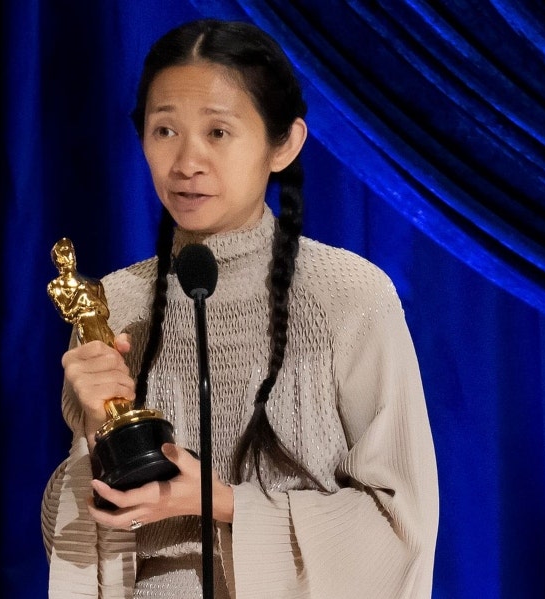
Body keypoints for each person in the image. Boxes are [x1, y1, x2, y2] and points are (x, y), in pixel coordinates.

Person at [42, 18, 438, 598]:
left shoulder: (350, 297)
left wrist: (220, 503)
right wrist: (95, 440)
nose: (187, 162)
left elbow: (403, 529)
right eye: (164, 130)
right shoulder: (113, 305)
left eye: (219, 132)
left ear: (284, 144)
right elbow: (68, 542)